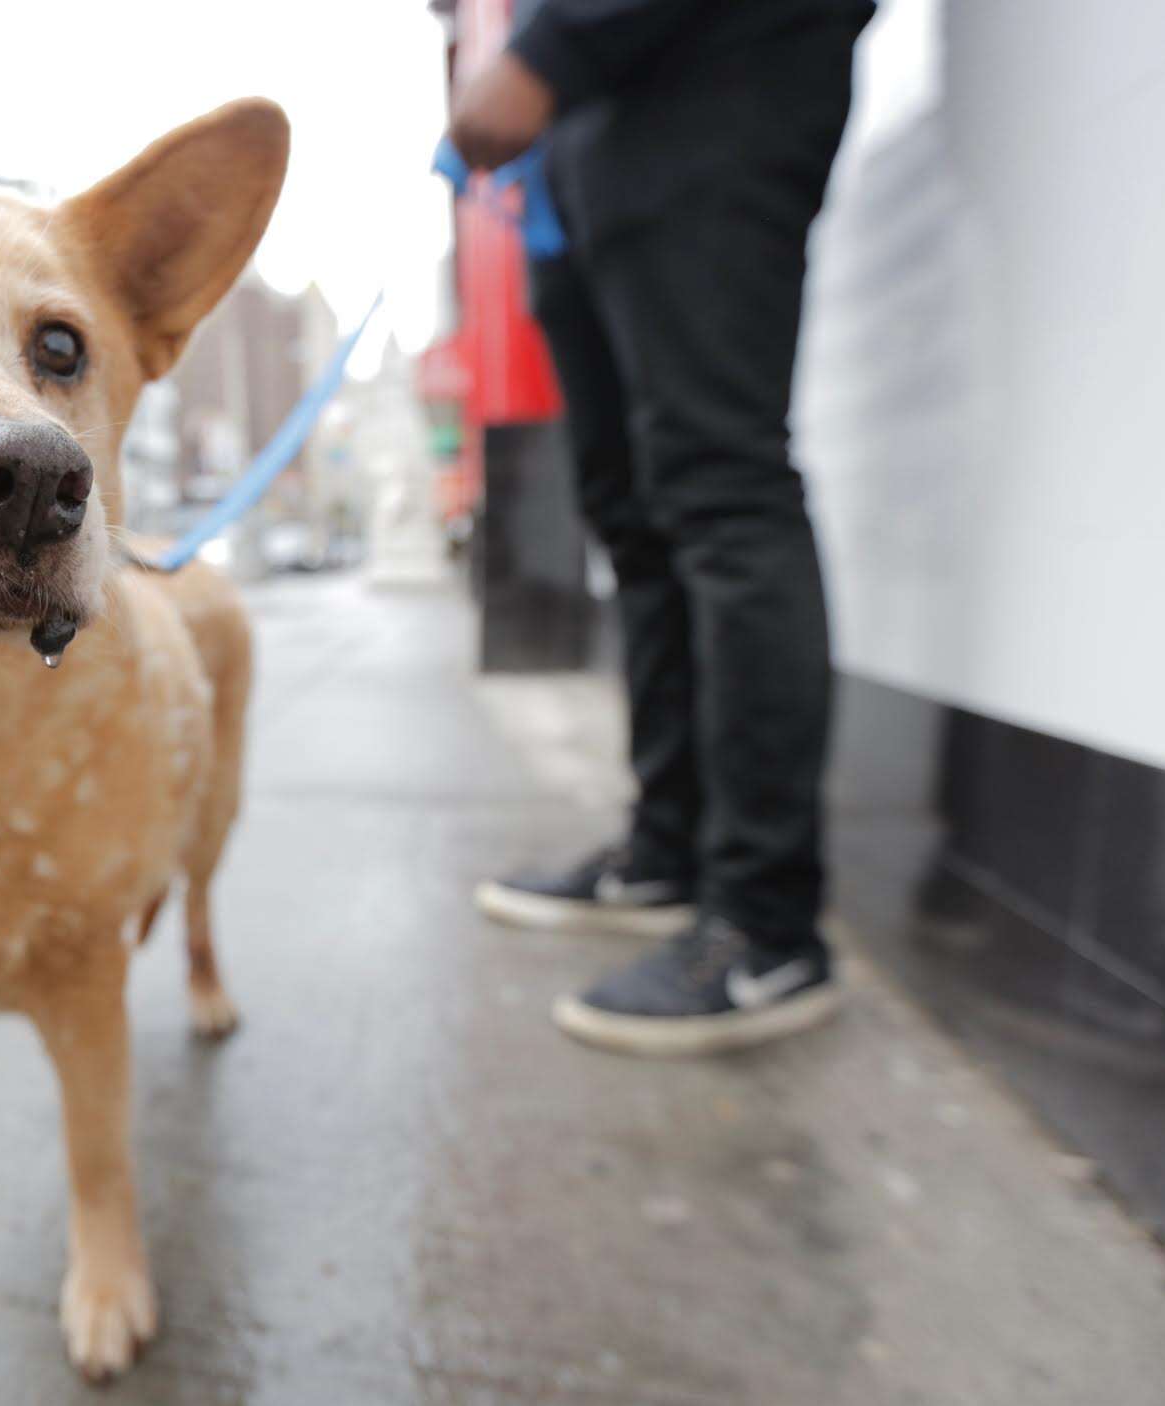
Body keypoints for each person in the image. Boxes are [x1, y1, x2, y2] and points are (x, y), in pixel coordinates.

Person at [448, 0, 875, 1056]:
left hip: (718, 77)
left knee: (722, 490)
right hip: (594, 143)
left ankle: (767, 929)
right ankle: (667, 853)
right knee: (637, 520)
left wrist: (553, 46)